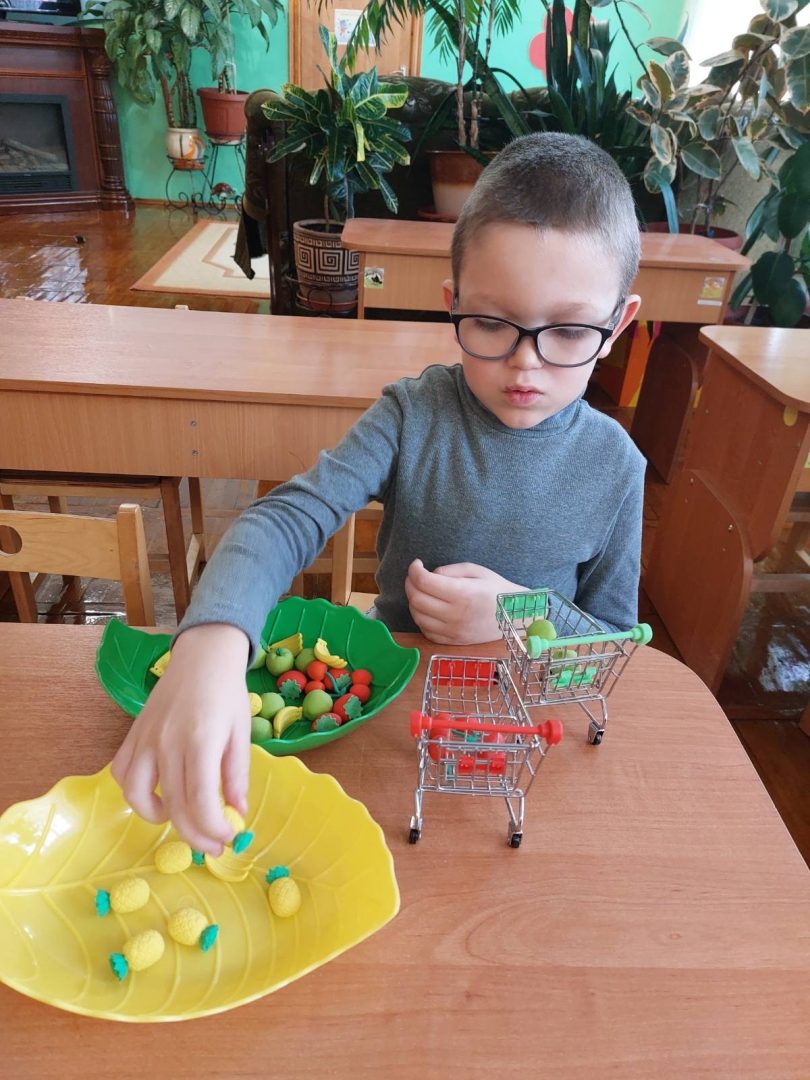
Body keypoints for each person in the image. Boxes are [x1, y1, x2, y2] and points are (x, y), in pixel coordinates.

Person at [112, 132, 646, 855]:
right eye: (491, 323)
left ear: (616, 326)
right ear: (453, 304)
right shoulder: (411, 414)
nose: (526, 362)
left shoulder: (617, 466)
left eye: (570, 330)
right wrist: (211, 642)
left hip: (528, 732)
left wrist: (517, 613)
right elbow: (287, 519)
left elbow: (615, 643)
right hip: (394, 713)